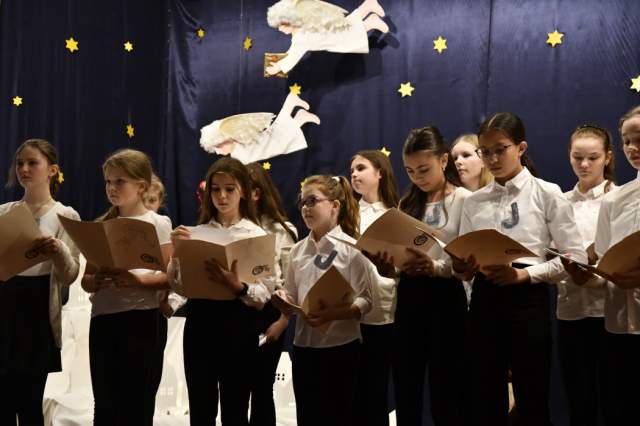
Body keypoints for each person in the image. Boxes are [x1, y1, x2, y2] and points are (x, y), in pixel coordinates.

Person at [0, 139, 81, 426]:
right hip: (5, 303)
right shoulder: (4, 212)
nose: (24, 168)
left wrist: (57, 250)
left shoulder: (65, 215)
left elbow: (70, 275)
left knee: (30, 401)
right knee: (3, 401)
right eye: (19, 163)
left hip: (37, 309)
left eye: (32, 163)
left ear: (52, 170)